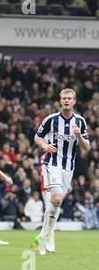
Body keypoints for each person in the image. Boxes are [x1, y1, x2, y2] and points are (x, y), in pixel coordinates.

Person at [34, 88, 90, 255]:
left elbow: (86, 147)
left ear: (74, 102)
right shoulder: (51, 119)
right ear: (60, 101)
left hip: (68, 168)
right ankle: (46, 236)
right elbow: (37, 137)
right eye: (64, 98)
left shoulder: (80, 122)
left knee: (56, 203)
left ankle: (47, 234)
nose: (66, 100)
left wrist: (79, 137)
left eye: (69, 98)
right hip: (52, 163)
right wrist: (45, 146)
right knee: (56, 198)